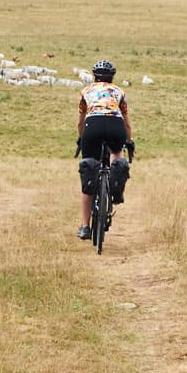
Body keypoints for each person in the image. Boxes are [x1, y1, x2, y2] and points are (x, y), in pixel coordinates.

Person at [75, 60, 133, 240]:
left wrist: (80, 137)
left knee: (89, 169)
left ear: (94, 76)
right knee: (117, 154)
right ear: (112, 77)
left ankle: (85, 226)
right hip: (115, 125)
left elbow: (81, 120)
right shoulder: (119, 91)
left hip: (93, 126)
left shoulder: (86, 91)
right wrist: (129, 141)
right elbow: (126, 121)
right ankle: (116, 189)